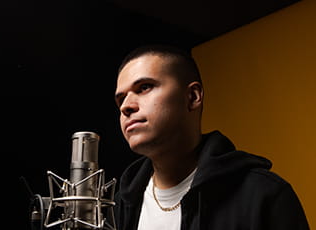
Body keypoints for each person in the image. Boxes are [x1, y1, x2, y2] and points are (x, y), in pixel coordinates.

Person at [112, 44, 309, 230]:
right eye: (121, 98)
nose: (126, 106)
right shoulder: (121, 204)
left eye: (145, 87)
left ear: (192, 96)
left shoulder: (264, 195)